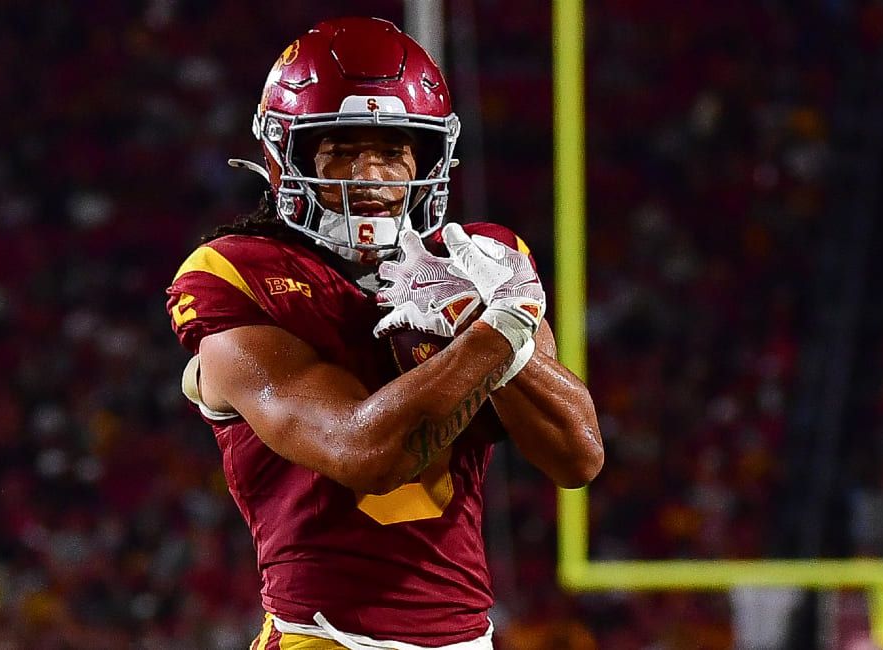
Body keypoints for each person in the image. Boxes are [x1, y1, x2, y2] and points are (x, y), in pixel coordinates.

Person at [165, 17, 603, 650]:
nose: (370, 174)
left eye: (394, 150)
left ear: (428, 157)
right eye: (341, 148)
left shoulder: (478, 259)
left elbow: (577, 454)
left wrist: (486, 318)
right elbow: (363, 454)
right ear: (287, 156)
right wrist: (496, 327)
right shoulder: (237, 273)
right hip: (323, 639)